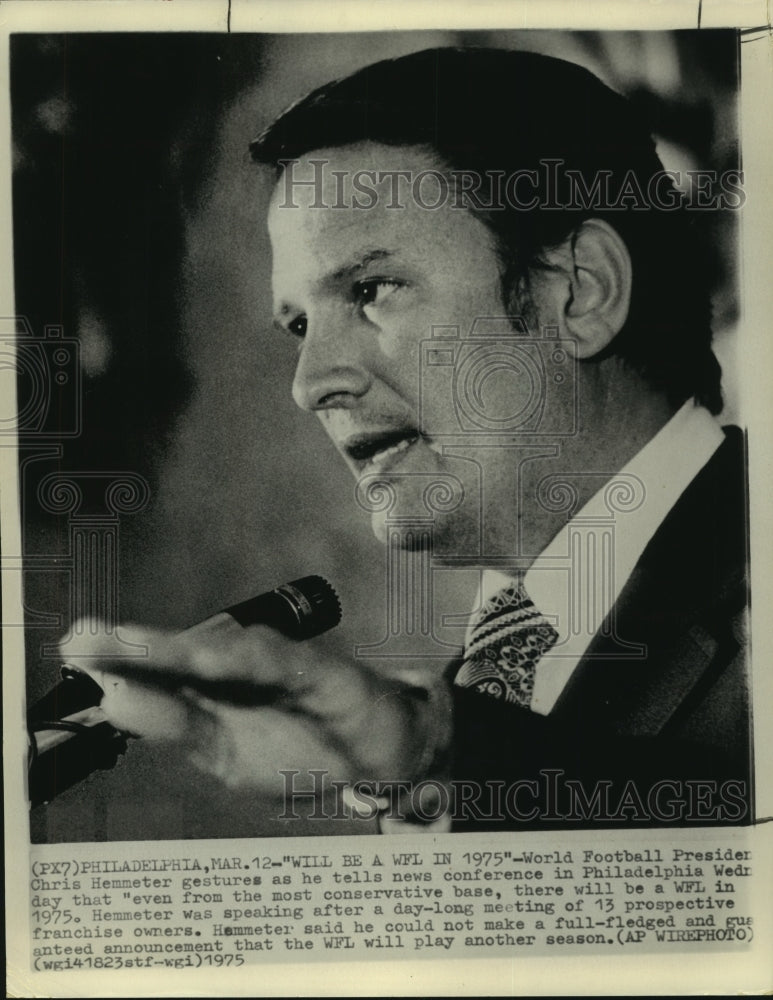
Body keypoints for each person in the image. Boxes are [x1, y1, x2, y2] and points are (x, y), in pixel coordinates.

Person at [68, 47, 751, 830]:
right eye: (297, 325)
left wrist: (435, 756)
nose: (309, 382)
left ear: (580, 290)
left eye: (371, 289)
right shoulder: (477, 691)